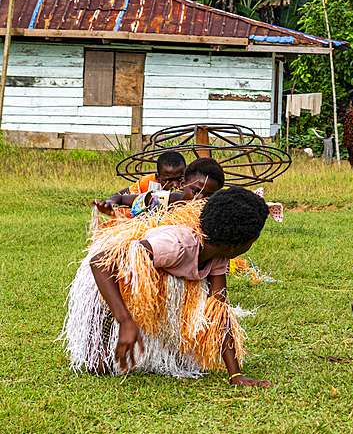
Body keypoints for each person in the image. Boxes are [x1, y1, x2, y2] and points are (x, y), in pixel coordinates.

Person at [62, 187, 274, 386]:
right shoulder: (176, 245)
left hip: (152, 287)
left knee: (182, 364)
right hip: (108, 283)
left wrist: (235, 374)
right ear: (234, 245)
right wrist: (125, 320)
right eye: (252, 241)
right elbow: (101, 262)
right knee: (99, 367)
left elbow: (219, 311)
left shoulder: (219, 256)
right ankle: (99, 339)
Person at [94, 157, 226, 218]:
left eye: (209, 196)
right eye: (195, 191)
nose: (199, 199)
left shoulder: (212, 213)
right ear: (184, 184)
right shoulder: (166, 198)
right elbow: (121, 198)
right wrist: (110, 203)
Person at [109, 151, 186, 198]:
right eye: (169, 180)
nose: (175, 185)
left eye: (180, 179)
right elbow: (119, 196)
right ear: (158, 178)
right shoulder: (149, 183)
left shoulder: (191, 184)